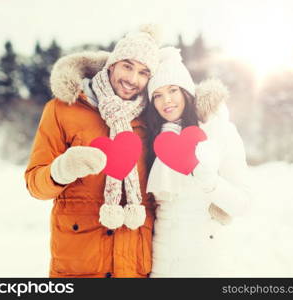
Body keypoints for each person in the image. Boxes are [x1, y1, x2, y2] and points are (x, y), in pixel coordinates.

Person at [24, 25, 161, 278]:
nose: (133, 79)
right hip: (80, 263)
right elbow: (35, 184)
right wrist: (61, 170)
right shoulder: (63, 109)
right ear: (112, 64)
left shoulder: (153, 118)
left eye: (143, 72)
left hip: (135, 266)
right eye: (127, 66)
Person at [144, 47, 252, 277]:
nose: (167, 101)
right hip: (161, 262)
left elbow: (242, 204)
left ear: (186, 91)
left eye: (173, 90)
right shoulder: (154, 138)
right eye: (158, 95)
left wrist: (209, 180)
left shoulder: (219, 131)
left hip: (204, 261)